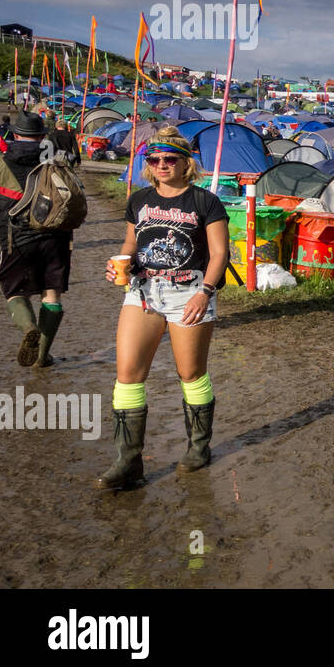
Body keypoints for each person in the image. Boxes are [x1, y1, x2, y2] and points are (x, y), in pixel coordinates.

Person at [96, 127, 229, 489]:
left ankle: (198, 448)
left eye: (170, 158)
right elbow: (130, 241)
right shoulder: (139, 200)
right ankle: (128, 461)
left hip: (189, 292)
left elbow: (219, 254)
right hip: (143, 292)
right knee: (127, 373)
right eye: (153, 159)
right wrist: (118, 265)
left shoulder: (205, 202)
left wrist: (205, 291)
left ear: (186, 163)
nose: (161, 165)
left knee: (190, 373)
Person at [0, 113, 76, 367]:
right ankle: (42, 356)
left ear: (15, 135)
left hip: (14, 236)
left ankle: (28, 327)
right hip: (56, 236)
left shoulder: (1, 162)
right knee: (51, 295)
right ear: (43, 136)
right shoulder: (58, 160)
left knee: (13, 291)